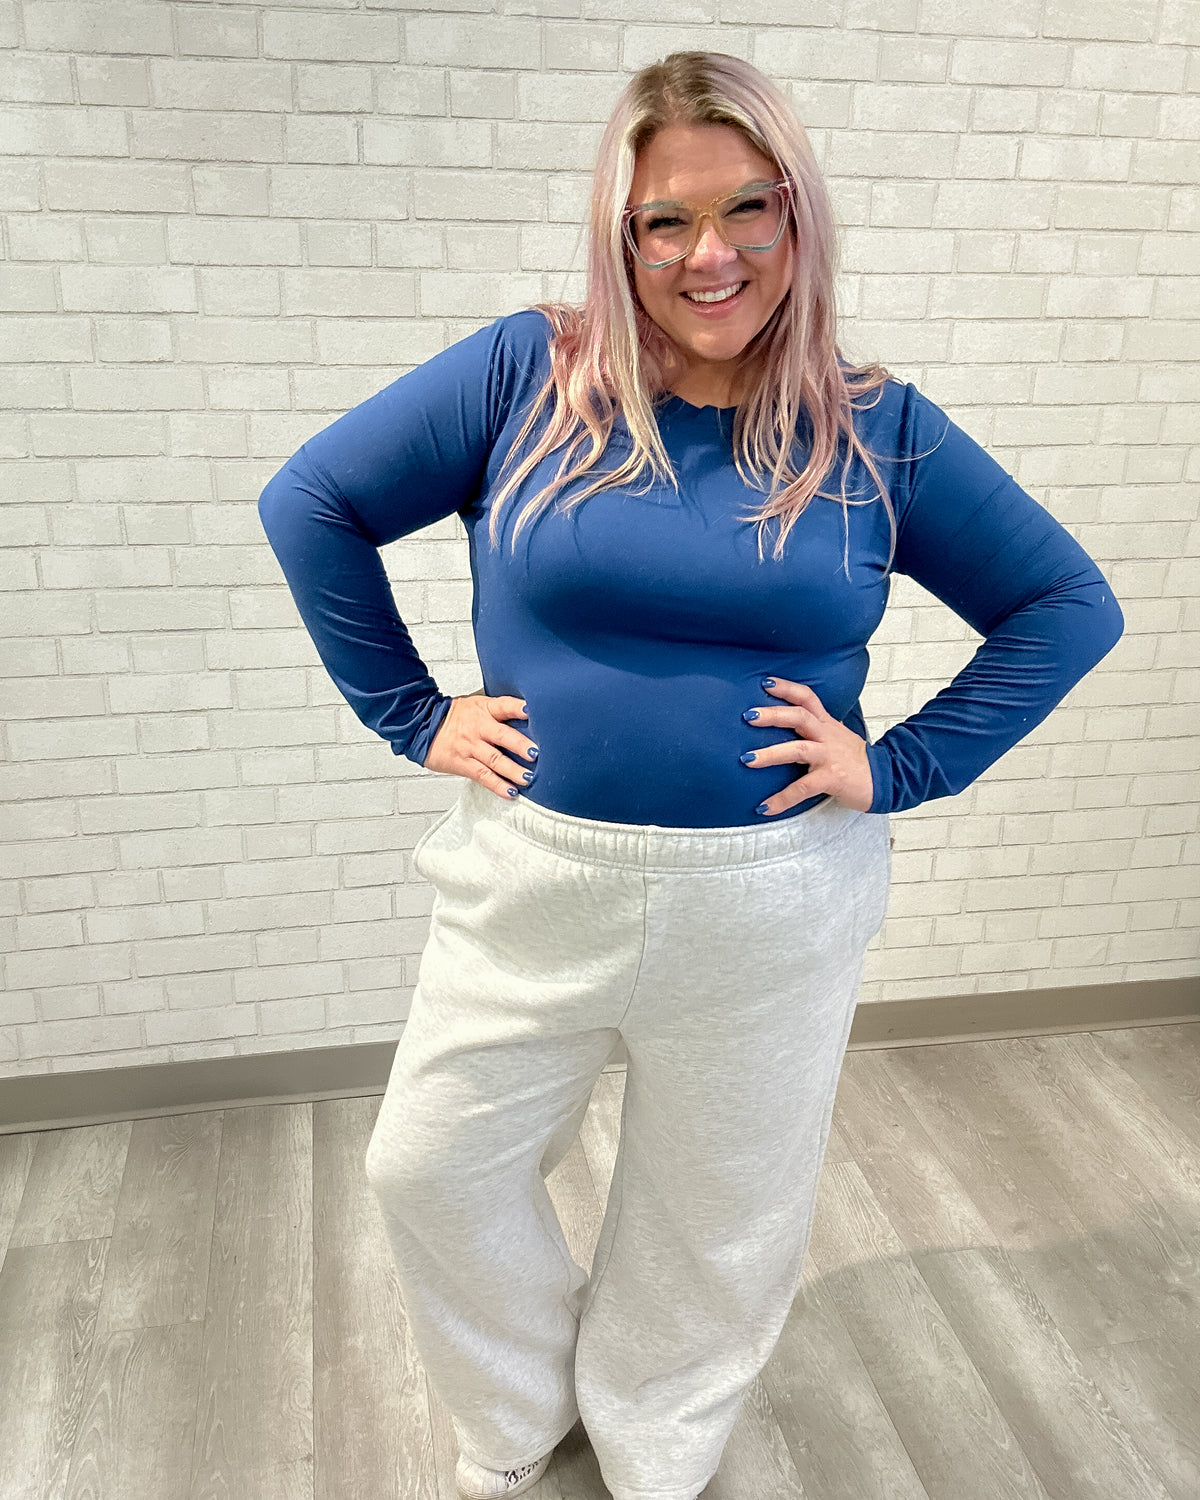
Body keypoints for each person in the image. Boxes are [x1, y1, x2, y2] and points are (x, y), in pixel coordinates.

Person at [257, 51, 1124, 1500]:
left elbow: (1066, 606)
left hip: (773, 898)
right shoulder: (526, 372)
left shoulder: (875, 428)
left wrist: (902, 764)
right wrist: (410, 716)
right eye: (665, 220)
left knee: (718, 1213)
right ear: (622, 232)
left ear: (800, 221)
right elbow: (315, 501)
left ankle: (658, 1441)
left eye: (748, 209)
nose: (707, 253)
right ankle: (519, 1413)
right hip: (534, 877)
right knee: (429, 1169)